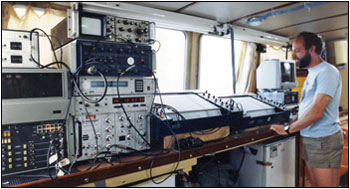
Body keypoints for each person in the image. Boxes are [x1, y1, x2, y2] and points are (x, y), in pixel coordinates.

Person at [270, 32, 344, 187]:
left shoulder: (326, 72)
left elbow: (317, 112)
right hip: (311, 137)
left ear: (312, 49)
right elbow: (310, 106)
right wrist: (296, 120)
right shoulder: (313, 72)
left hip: (323, 140)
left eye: (297, 50)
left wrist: (288, 129)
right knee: (315, 184)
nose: (293, 55)